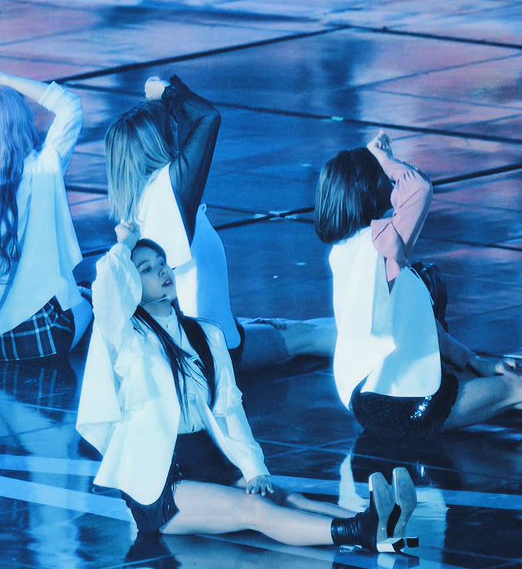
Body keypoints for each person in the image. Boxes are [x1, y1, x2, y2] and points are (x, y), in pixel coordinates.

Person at [76, 222, 416, 551]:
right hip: (160, 481)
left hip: (207, 458)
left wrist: (255, 470)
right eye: (147, 269)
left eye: (162, 262)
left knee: (285, 498)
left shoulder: (205, 335)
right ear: (131, 283)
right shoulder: (127, 338)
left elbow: (229, 410)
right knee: (254, 510)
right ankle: (360, 531)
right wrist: (123, 244)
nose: (162, 271)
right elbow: (105, 291)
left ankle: (385, 526)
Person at [105, 75, 333, 370]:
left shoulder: (140, 204)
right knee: (306, 335)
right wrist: (167, 94)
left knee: (286, 326)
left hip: (200, 339)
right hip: (212, 351)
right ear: (154, 144)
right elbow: (206, 119)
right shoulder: (169, 191)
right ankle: (377, 346)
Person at [316, 131, 522, 436]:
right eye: (382, 178)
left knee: (499, 386)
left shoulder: (346, 251)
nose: (389, 183)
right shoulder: (379, 243)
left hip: (374, 398)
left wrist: (475, 362)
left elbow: (424, 328)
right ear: (368, 189)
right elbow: (419, 190)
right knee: (516, 387)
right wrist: (384, 158)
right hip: (399, 402)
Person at [0, 68, 91, 360]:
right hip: (43, 339)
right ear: (19, 126)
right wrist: (3, 80)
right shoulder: (42, 170)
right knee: (93, 297)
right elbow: (70, 106)